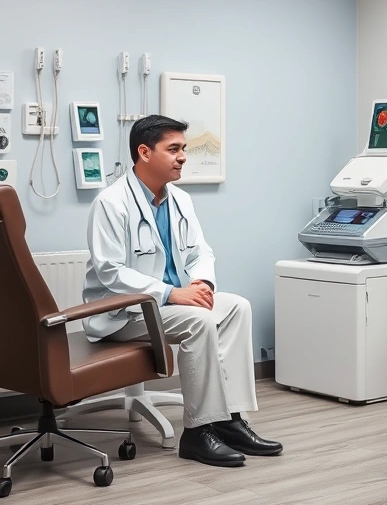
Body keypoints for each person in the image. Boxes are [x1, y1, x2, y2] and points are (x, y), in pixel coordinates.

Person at [82, 114, 282, 468]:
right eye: (173, 149)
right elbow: (111, 271)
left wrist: (202, 282)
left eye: (183, 149)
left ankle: (228, 420)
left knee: (237, 307)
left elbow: (200, 251)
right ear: (144, 152)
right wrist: (172, 294)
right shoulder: (110, 203)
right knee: (197, 321)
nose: (183, 157)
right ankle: (197, 433)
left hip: (168, 304)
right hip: (121, 312)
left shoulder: (179, 200)